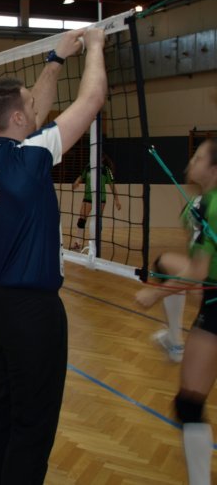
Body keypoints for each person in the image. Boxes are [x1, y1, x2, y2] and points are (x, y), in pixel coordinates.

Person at [0, 27, 104, 484]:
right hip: (33, 312)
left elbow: (33, 112)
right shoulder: (31, 158)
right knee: (34, 424)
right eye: (29, 105)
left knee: (5, 409)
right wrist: (96, 46)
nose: (36, 108)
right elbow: (91, 101)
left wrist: (56, 58)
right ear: (17, 118)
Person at [135, 138, 217, 485]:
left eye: (198, 157)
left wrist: (154, 294)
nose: (190, 162)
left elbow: (197, 272)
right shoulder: (200, 204)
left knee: (189, 405)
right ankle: (173, 340)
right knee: (165, 262)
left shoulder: (208, 206)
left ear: (214, 169)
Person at [70, 152, 122, 250]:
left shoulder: (105, 170)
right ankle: (78, 243)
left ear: (102, 159)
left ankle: (94, 244)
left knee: (97, 221)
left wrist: (117, 200)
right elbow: (81, 176)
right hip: (88, 197)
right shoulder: (88, 167)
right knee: (82, 219)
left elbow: (112, 186)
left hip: (100, 199)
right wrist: (76, 182)